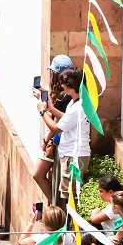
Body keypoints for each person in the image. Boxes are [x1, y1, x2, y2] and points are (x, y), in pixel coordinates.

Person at [38, 68, 90, 199]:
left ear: (71, 85)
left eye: (63, 83)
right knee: (68, 194)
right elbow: (66, 118)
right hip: (72, 154)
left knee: (70, 197)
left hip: (73, 155)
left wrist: (42, 112)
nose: (61, 86)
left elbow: (56, 128)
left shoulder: (78, 107)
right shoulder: (75, 102)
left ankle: (69, 220)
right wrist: (51, 108)